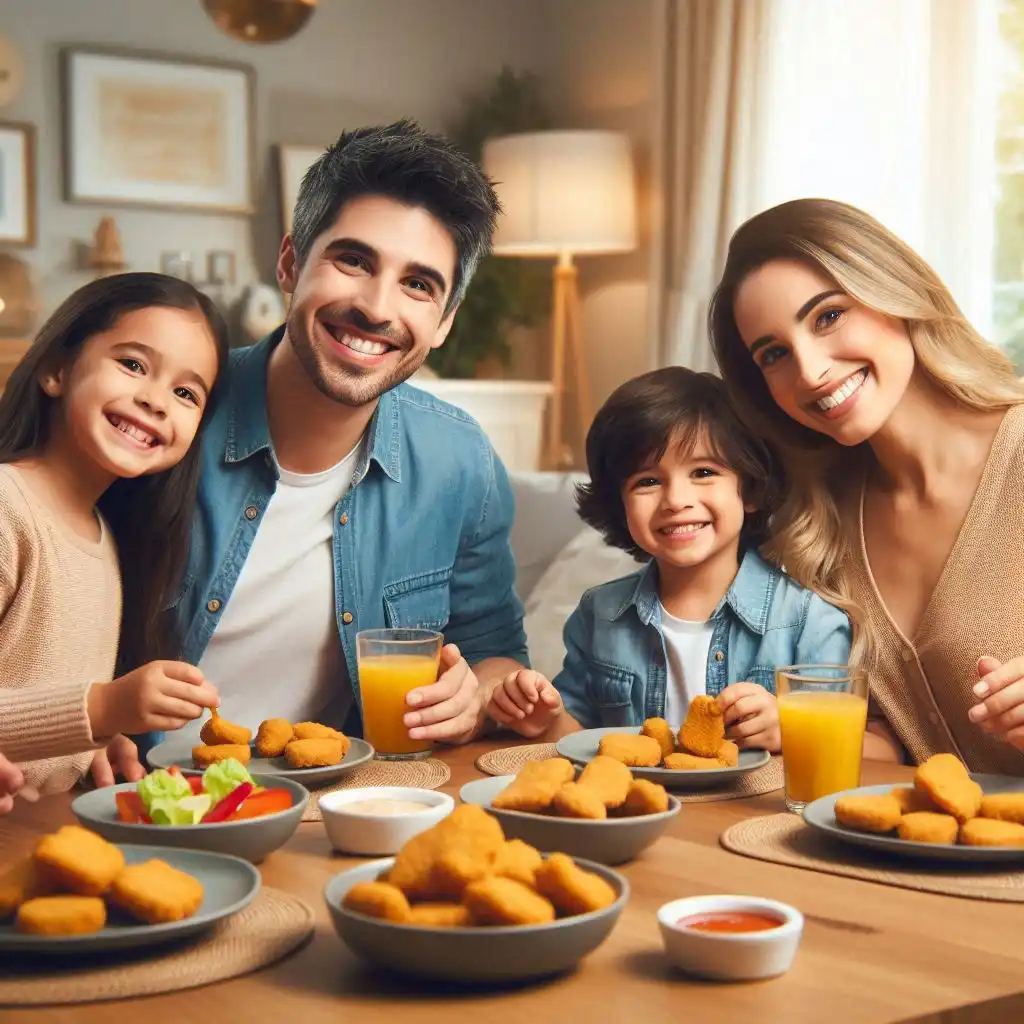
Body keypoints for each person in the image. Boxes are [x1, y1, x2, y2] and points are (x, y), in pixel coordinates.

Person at [168, 120, 527, 750]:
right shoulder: (169, 418)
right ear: (290, 263)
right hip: (142, 798)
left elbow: (496, 655)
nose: (378, 308)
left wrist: (474, 700)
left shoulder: (460, 460)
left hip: (339, 806)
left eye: (418, 285)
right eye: (354, 260)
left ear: (443, 322)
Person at [708, 197, 1024, 772]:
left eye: (827, 316)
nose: (809, 371)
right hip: (897, 851)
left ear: (894, 292)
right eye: (774, 354)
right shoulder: (812, 523)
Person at [487, 367, 851, 748]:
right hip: (637, 805)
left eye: (704, 472)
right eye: (648, 481)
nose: (676, 500)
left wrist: (791, 727)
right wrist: (544, 720)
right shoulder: (600, 614)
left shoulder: (810, 620)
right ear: (620, 505)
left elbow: (840, 747)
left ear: (751, 490)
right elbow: (580, 736)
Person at [0, 273, 225, 794]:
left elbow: (40, 702)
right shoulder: (9, 508)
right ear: (57, 368)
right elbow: (80, 700)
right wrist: (101, 707)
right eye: (132, 365)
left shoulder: (108, 536)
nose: (156, 400)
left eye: (186, 393)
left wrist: (90, 740)